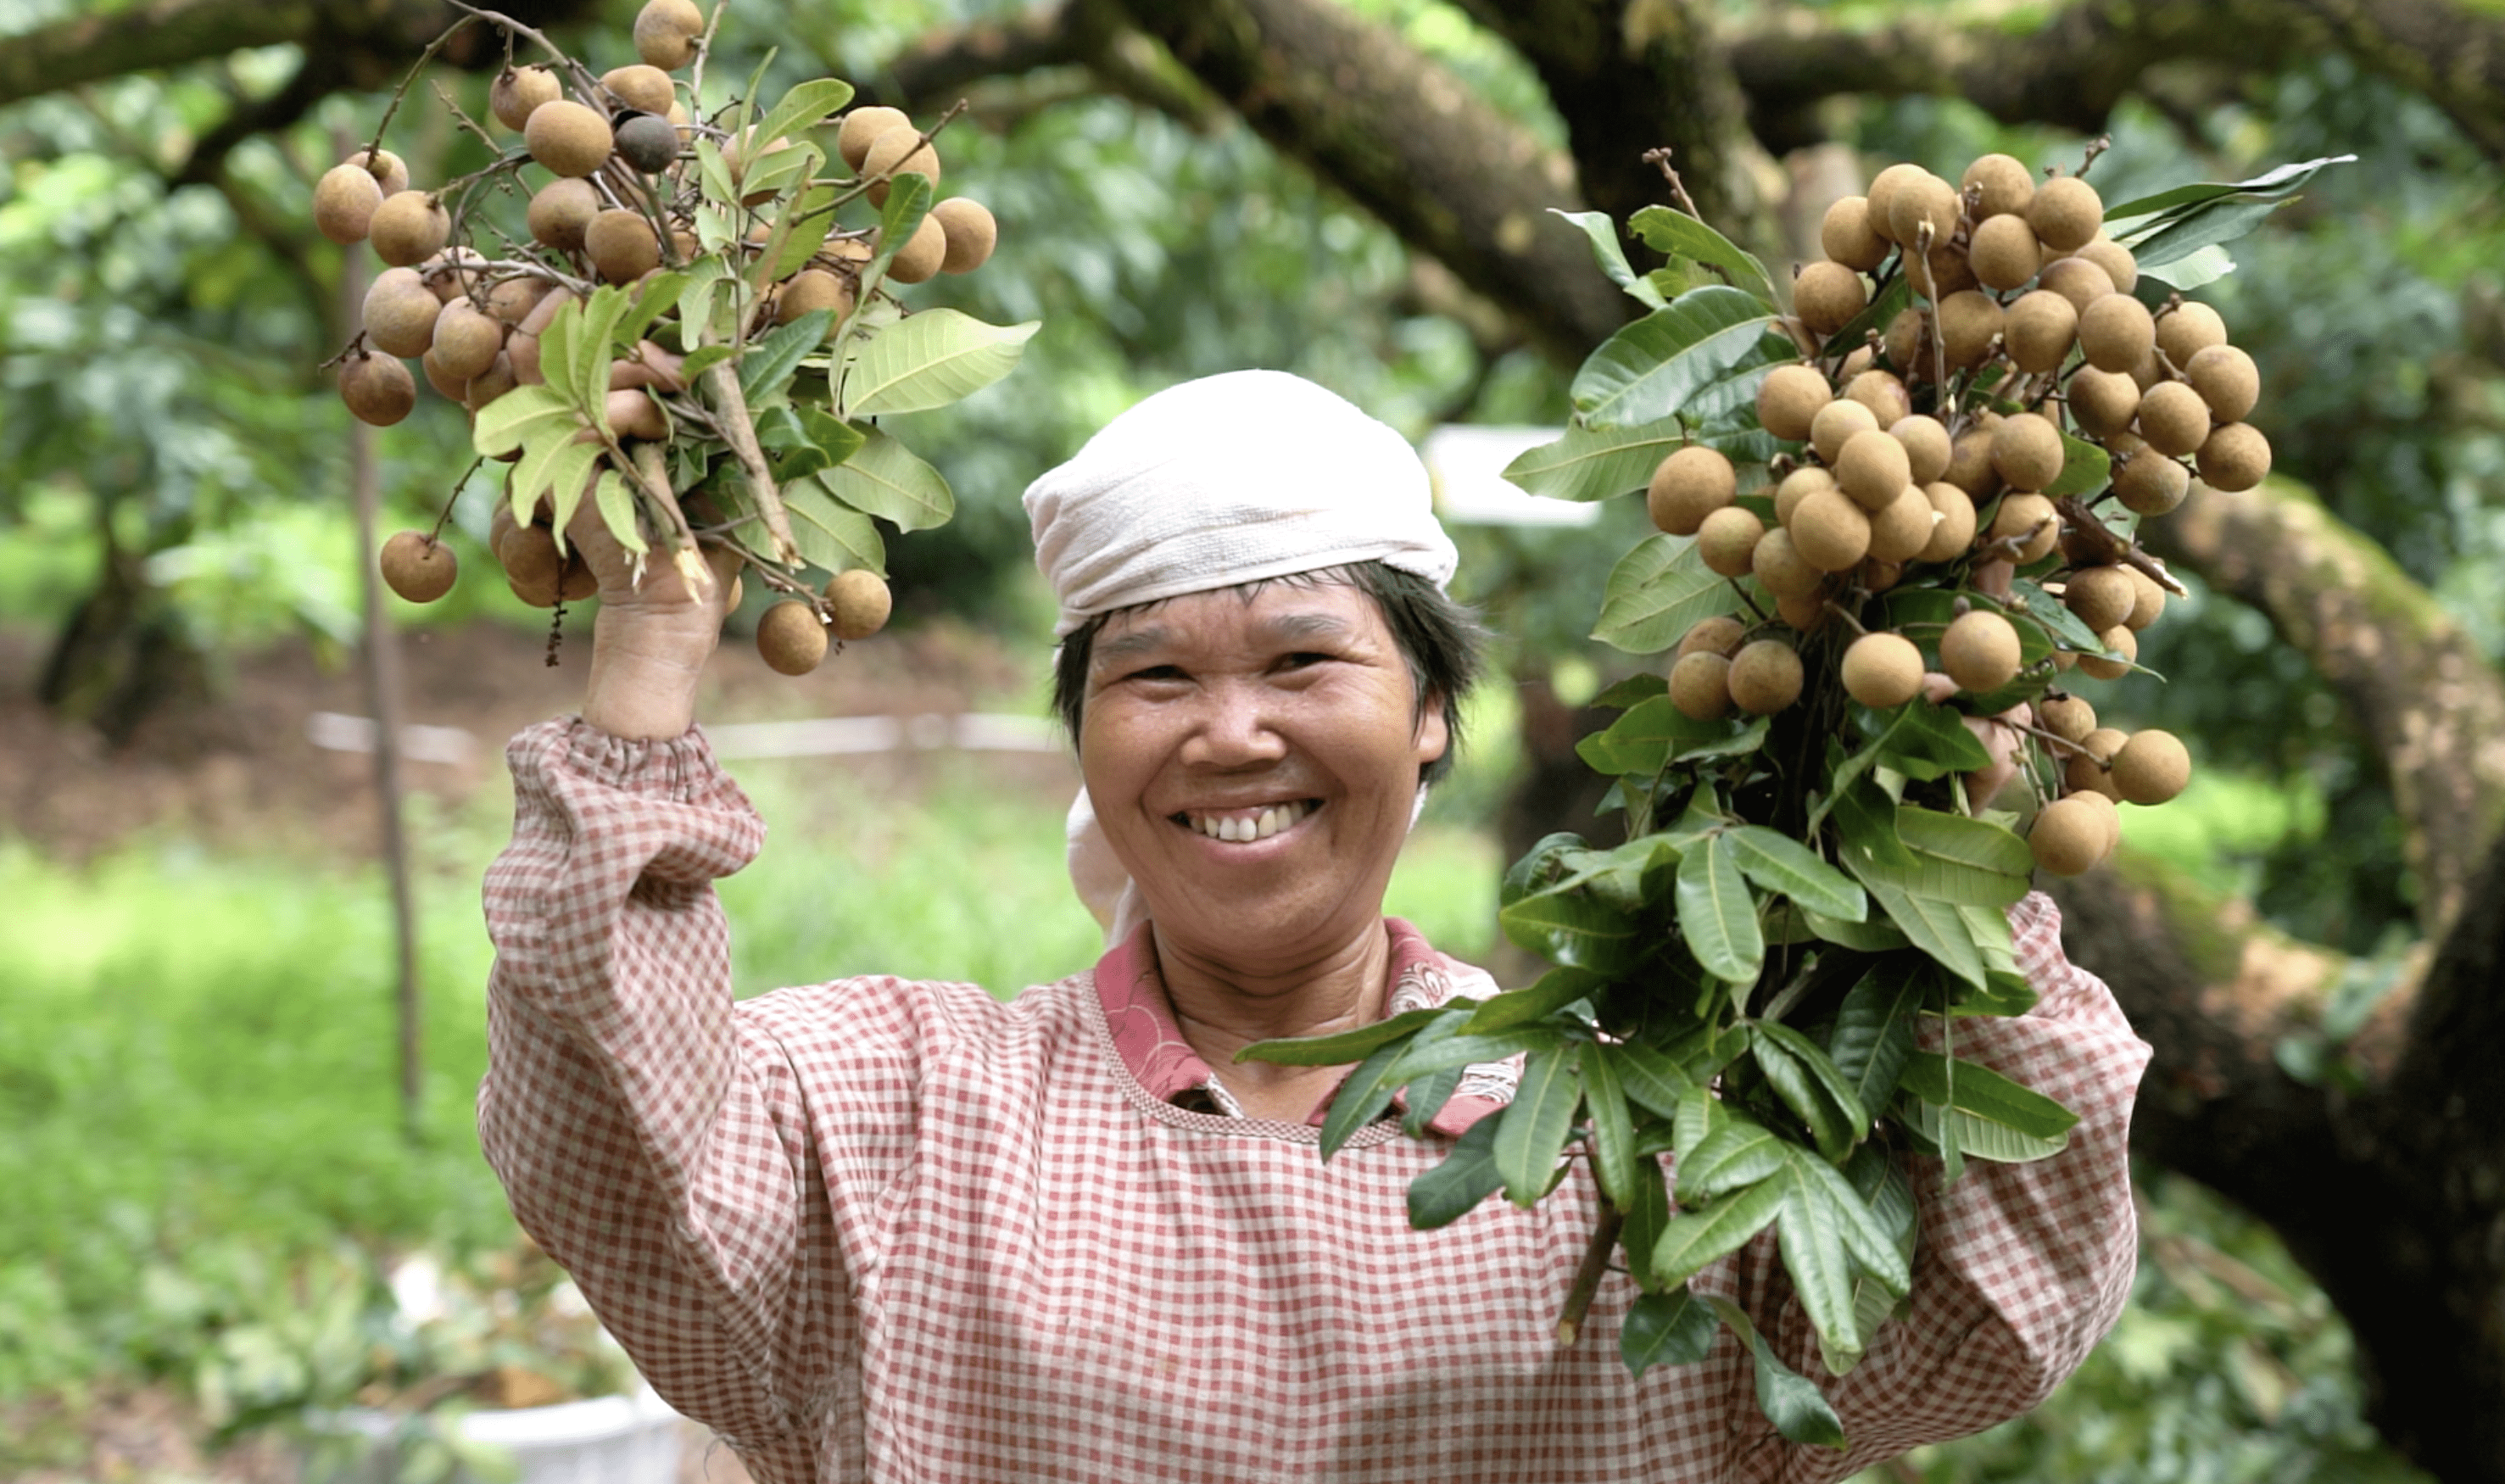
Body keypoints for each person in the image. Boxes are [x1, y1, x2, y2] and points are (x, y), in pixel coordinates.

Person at [477, 370, 2151, 1483]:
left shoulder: (1645, 1133)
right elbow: (623, 1153)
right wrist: (642, 671)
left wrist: (1948, 863)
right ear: (1084, 738)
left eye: (1301, 662)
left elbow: (1977, 1321)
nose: (1229, 732)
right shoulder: (906, 1105)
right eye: (1153, 675)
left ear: (1432, 716)